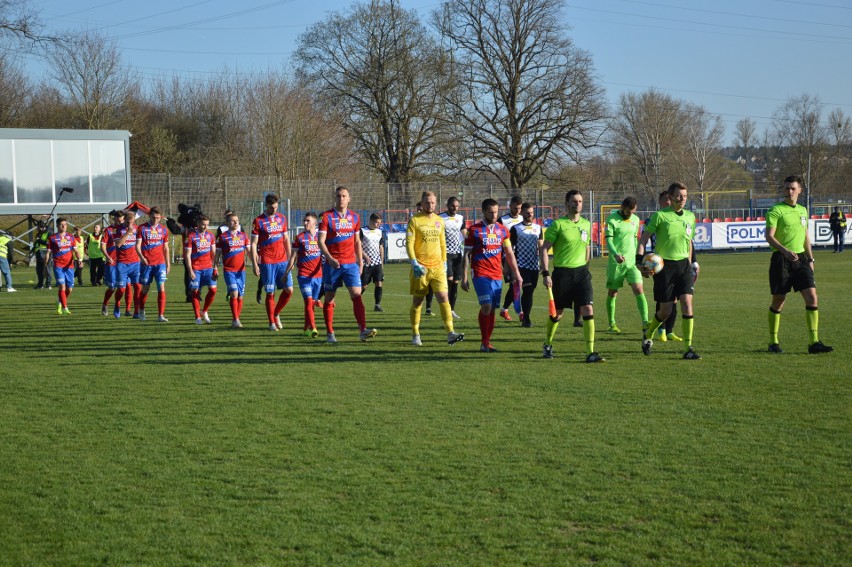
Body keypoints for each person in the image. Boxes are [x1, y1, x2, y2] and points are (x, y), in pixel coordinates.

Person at [765, 175, 833, 354]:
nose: (790, 192)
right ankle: (773, 342)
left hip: (801, 260)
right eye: (787, 188)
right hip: (781, 260)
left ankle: (814, 342)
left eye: (793, 188)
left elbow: (805, 236)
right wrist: (785, 251)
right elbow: (769, 237)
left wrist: (810, 259)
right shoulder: (776, 210)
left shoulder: (803, 210)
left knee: (812, 297)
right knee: (779, 300)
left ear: (799, 190)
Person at [637, 182, 700, 360]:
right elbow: (643, 241)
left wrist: (692, 263)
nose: (682, 199)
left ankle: (688, 347)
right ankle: (648, 334)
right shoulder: (659, 216)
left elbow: (689, 243)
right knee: (665, 311)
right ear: (670, 197)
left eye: (685, 196)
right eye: (679, 196)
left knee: (687, 304)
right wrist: (638, 262)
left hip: (684, 267)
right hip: (664, 268)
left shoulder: (690, 217)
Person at [539, 190, 605, 362]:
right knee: (557, 314)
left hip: (582, 273)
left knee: (588, 310)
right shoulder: (558, 225)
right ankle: (547, 343)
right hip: (562, 274)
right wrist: (546, 273)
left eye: (580, 201)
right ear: (567, 204)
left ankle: (590, 352)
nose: (578, 204)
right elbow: (544, 249)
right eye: (574, 201)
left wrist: (586, 267)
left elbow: (587, 247)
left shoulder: (586, 224)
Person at [317, 186, 377, 343]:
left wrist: (360, 261)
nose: (341, 198)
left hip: (350, 264)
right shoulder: (326, 217)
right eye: (338, 196)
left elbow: (357, 241)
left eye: (344, 196)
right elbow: (320, 241)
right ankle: (330, 333)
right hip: (332, 265)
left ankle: (363, 330)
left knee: (357, 295)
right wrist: (329, 258)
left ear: (349, 199)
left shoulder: (355, 217)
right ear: (335, 198)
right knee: (329, 298)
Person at [461, 198, 522, 353]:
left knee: (493, 309)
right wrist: (464, 277)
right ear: (483, 212)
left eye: (496, 212)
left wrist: (517, 273)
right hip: (480, 273)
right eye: (491, 212)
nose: (494, 215)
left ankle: (486, 343)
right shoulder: (474, 230)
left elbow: (509, 253)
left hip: (496, 275)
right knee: (486, 306)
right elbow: (466, 254)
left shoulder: (503, 230)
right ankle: (484, 341)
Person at [407, 191, 464, 346]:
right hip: (421, 268)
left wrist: (444, 262)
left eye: (432, 202)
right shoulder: (415, 221)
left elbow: (442, 244)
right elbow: (410, 243)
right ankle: (415, 333)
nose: (430, 205)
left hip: (438, 267)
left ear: (436, 203)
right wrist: (414, 263)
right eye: (427, 202)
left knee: (444, 299)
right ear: (422, 203)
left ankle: (450, 333)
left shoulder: (439, 220)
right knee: (418, 302)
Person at [604, 197, 648, 333]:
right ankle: (612, 324)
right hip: (616, 263)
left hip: (632, 262)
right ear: (622, 206)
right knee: (613, 292)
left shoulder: (635, 219)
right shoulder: (611, 219)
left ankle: (645, 322)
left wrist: (638, 259)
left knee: (639, 289)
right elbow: (609, 242)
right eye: (629, 211)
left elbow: (635, 240)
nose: (630, 214)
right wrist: (616, 254)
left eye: (633, 212)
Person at [251, 194, 294, 332]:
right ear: (266, 205)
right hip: (267, 261)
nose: (274, 210)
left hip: (282, 260)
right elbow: (253, 244)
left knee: (289, 290)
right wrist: (254, 263)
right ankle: (271, 323)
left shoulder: (282, 218)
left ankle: (275, 313)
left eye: (276, 207)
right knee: (270, 293)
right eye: (271, 207)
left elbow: (286, 239)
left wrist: (290, 258)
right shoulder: (258, 221)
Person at [286, 212, 323, 337]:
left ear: (314, 223)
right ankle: (313, 328)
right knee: (308, 302)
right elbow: (292, 257)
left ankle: (305, 328)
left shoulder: (321, 237)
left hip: (318, 275)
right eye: (304, 220)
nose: (305, 223)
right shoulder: (299, 238)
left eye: (308, 221)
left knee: (312, 303)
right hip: (304, 275)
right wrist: (286, 272)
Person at [509, 202, 543, 328]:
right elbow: (510, 249)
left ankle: (522, 310)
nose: (530, 215)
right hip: (521, 264)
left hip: (534, 265)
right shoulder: (515, 228)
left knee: (530, 291)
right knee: (528, 289)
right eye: (527, 213)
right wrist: (510, 267)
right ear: (522, 213)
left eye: (532, 213)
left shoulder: (538, 228)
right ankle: (526, 318)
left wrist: (543, 264)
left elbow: (541, 246)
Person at [135, 207, 171, 322]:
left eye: (158, 218)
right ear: (149, 216)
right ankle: (141, 309)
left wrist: (168, 263)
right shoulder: (142, 228)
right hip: (146, 264)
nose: (156, 220)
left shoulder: (164, 230)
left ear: (161, 217)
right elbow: (137, 246)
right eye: (153, 217)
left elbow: (166, 248)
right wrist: (142, 258)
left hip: (160, 264)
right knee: (145, 289)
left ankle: (160, 315)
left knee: (161, 288)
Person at [215, 212, 249, 328]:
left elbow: (249, 251)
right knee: (234, 294)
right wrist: (215, 267)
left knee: (240, 296)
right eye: (232, 221)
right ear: (227, 223)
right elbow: (217, 254)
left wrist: (256, 263)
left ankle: (236, 319)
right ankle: (236, 319)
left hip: (241, 271)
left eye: (237, 221)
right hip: (229, 270)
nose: (235, 223)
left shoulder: (243, 236)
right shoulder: (223, 237)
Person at [185, 215, 217, 325]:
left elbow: (213, 253)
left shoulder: (211, 236)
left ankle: (204, 311)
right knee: (195, 292)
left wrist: (215, 268)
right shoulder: (191, 236)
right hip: (196, 269)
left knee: (213, 290)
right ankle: (197, 317)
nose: (205, 227)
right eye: (203, 224)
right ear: (198, 223)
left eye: (207, 225)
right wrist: (190, 271)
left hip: (208, 268)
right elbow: (187, 255)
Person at [439, 196, 467, 319]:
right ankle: (445, 307)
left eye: (456, 206)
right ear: (447, 205)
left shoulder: (460, 218)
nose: (454, 208)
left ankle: (451, 310)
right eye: (452, 206)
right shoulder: (440, 218)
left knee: (455, 283)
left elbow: (465, 234)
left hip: (458, 255)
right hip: (445, 254)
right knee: (449, 281)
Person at [45, 218, 79, 314]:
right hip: (58, 265)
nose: (63, 226)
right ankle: (65, 308)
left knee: (69, 289)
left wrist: (79, 259)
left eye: (65, 224)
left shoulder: (71, 237)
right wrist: (45, 264)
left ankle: (60, 301)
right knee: (62, 287)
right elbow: (48, 252)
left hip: (69, 266)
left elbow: (76, 250)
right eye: (61, 224)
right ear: (57, 226)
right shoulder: (52, 238)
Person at [499, 194, 524, 321]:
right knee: (515, 283)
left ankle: (505, 309)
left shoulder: (522, 218)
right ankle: (520, 312)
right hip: (507, 256)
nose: (517, 211)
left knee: (517, 284)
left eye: (519, 208)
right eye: (515, 208)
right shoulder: (502, 220)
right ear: (510, 206)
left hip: (522, 256)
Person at [113, 212, 142, 319]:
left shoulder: (137, 228)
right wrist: (128, 233)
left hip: (135, 262)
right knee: (121, 289)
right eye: (128, 222)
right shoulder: (117, 229)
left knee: (138, 287)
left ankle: (136, 311)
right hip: (122, 263)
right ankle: (117, 305)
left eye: (132, 222)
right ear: (124, 220)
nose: (130, 224)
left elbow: (140, 243)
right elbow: (119, 244)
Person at [100, 210, 125, 316]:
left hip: (123, 262)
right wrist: (107, 256)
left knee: (122, 287)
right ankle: (105, 304)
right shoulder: (109, 230)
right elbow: (102, 246)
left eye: (122, 220)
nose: (120, 223)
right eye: (118, 221)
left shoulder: (126, 230)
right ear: (114, 219)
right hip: (112, 262)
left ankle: (118, 307)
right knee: (112, 287)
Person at [360, 212, 385, 312]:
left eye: (379, 223)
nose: (378, 225)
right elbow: (358, 246)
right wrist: (364, 256)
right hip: (366, 263)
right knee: (364, 285)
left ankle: (377, 305)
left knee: (379, 282)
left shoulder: (380, 232)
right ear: (370, 221)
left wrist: (381, 261)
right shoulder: (363, 231)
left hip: (377, 262)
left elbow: (381, 247)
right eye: (376, 223)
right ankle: (356, 299)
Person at [33, 220, 52, 289]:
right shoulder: (39, 234)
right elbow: (36, 244)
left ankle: (48, 284)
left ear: (43, 227)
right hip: (38, 253)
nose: (38, 228)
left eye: (39, 227)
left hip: (46, 253)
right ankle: (40, 284)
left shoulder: (49, 233)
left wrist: (39, 240)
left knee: (47, 269)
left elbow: (49, 244)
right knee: (39, 270)